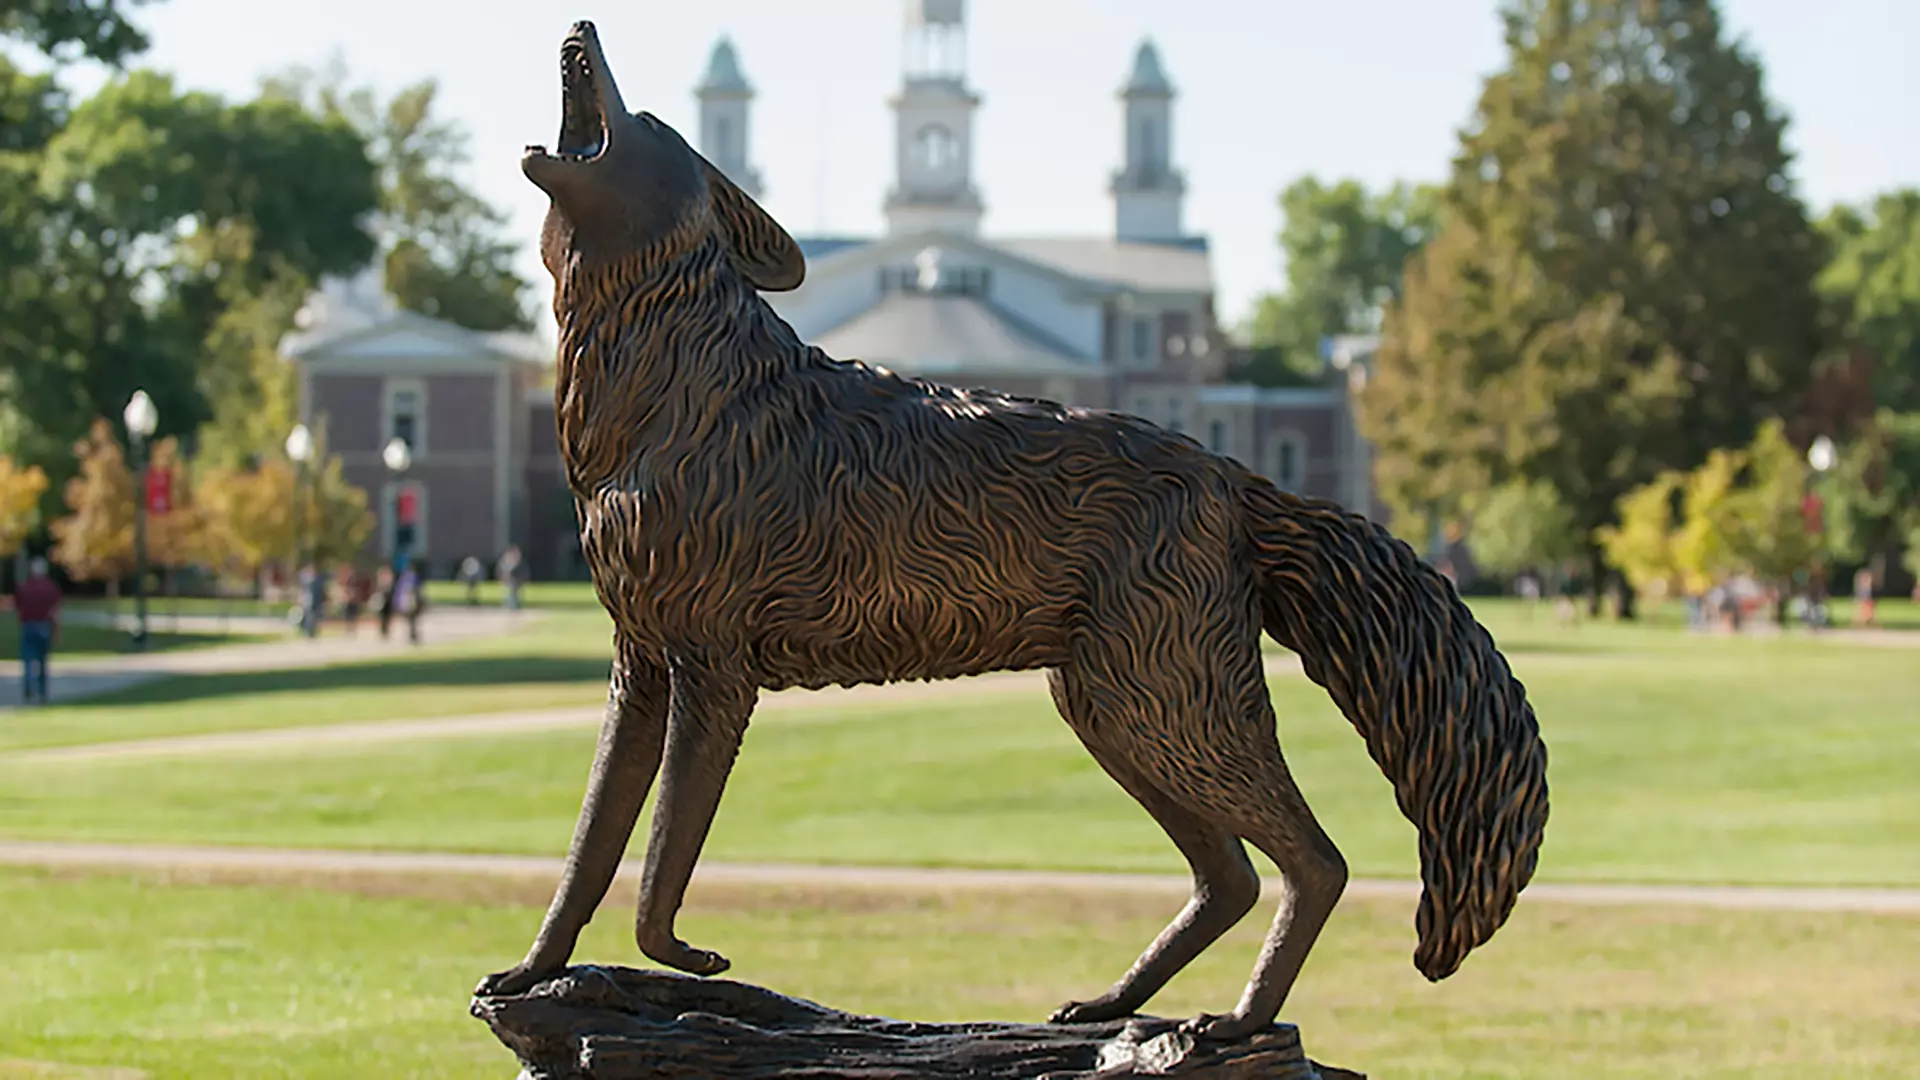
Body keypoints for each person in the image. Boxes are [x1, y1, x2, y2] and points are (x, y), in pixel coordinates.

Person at [12, 557, 61, 705]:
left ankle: (28, 689)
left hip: (28, 625)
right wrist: (57, 632)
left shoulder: (24, 587)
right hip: (44, 626)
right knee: (42, 662)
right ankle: (42, 693)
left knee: (28, 660)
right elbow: (56, 612)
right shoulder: (51, 588)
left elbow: (17, 607)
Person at [394, 563, 426, 645]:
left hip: (409, 603)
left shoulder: (404, 578)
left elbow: (398, 592)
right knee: (413, 621)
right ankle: (413, 635)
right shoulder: (413, 578)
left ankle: (412, 635)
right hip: (412, 603)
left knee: (411, 621)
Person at [497, 545, 525, 612]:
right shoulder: (506, 559)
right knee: (508, 592)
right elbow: (504, 571)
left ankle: (514, 605)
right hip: (509, 579)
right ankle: (510, 605)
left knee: (514, 593)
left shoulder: (515, 559)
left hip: (514, 579)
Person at [374, 565, 396, 640]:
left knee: (388, 616)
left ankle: (387, 630)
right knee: (381, 616)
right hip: (382, 600)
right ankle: (383, 630)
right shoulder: (380, 579)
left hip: (388, 600)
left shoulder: (390, 578)